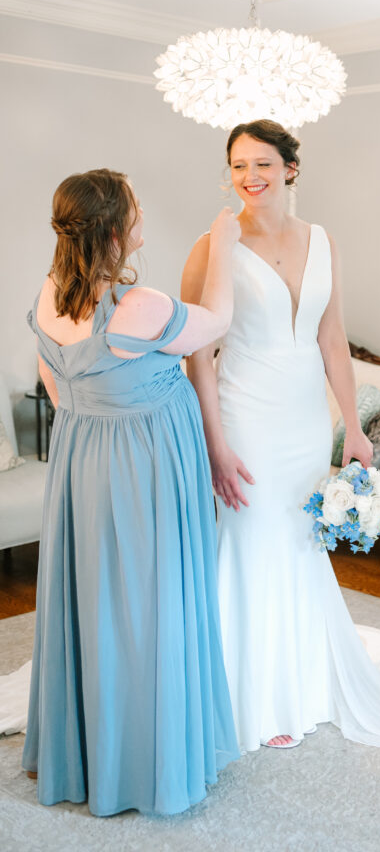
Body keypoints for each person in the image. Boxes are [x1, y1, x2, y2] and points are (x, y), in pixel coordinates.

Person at [182, 119, 380, 752]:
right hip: (243, 416)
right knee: (251, 539)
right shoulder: (213, 245)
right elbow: (198, 356)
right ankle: (249, 693)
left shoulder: (321, 240)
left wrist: (353, 427)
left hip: (302, 420)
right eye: (238, 165)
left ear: (290, 168)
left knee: (298, 541)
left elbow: (331, 337)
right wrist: (214, 442)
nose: (250, 176)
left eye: (263, 163)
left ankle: (301, 679)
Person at [19, 168, 241, 815]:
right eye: (136, 206)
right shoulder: (139, 307)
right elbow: (218, 322)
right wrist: (224, 242)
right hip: (145, 466)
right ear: (116, 230)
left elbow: (57, 389)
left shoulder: (50, 292)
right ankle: (147, 762)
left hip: (81, 459)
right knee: (150, 604)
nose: (143, 214)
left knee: (98, 599)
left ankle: (89, 751)